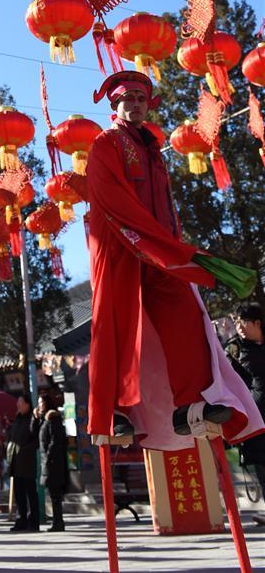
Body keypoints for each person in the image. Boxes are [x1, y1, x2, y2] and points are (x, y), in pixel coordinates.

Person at [87, 71, 263, 450]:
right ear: (114, 104)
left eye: (141, 98)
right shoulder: (105, 144)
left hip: (162, 250)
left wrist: (174, 247)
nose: (135, 104)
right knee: (117, 326)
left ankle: (191, 404)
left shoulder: (153, 149)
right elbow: (112, 202)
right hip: (122, 247)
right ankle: (115, 412)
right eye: (127, 97)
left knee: (187, 317)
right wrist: (165, 248)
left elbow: (166, 209)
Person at [225, 302, 265, 516]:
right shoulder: (234, 348)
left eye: (243, 322)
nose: (239, 327)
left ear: (257, 323)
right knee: (261, 461)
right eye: (236, 322)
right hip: (256, 413)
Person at [6, 394, 39, 532]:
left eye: (20, 402)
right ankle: (22, 520)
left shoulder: (32, 419)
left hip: (27, 462)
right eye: (17, 402)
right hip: (16, 462)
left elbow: (35, 441)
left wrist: (24, 450)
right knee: (19, 493)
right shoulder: (17, 419)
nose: (18, 405)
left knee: (30, 492)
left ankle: (34, 521)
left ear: (27, 405)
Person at [38, 397, 69, 532]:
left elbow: (55, 441)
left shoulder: (53, 419)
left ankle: (58, 522)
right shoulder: (44, 420)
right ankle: (57, 521)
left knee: (55, 494)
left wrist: (49, 457)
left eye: (41, 403)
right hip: (50, 460)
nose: (39, 405)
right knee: (53, 494)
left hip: (53, 462)